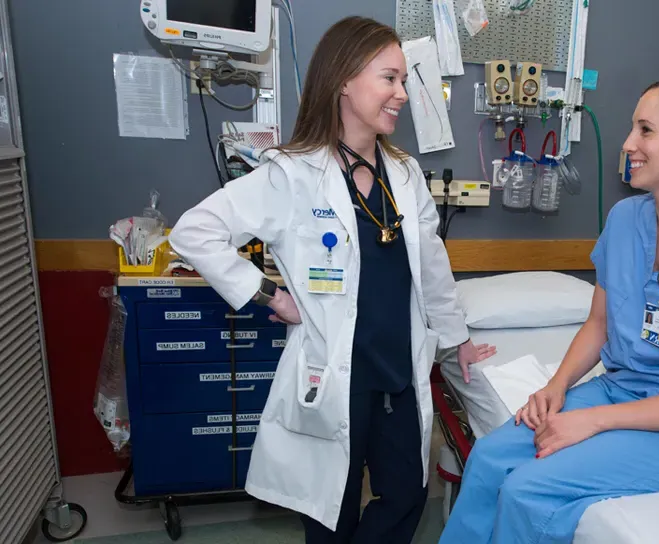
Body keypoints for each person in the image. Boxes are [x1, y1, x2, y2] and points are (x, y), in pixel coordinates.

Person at [169, 16, 496, 544]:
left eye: (403, 81)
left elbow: (431, 262)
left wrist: (456, 339)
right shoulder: (293, 172)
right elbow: (194, 231)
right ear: (344, 79)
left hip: (397, 370)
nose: (402, 94)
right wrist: (268, 294)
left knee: (407, 496)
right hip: (335, 376)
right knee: (330, 513)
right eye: (389, 78)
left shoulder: (406, 173)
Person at [438, 74, 659, 543]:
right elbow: (599, 323)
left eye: (646, 131)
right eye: (633, 128)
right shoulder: (625, 219)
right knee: (491, 458)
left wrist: (590, 420)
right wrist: (556, 387)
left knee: (528, 488)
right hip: (622, 389)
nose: (629, 143)